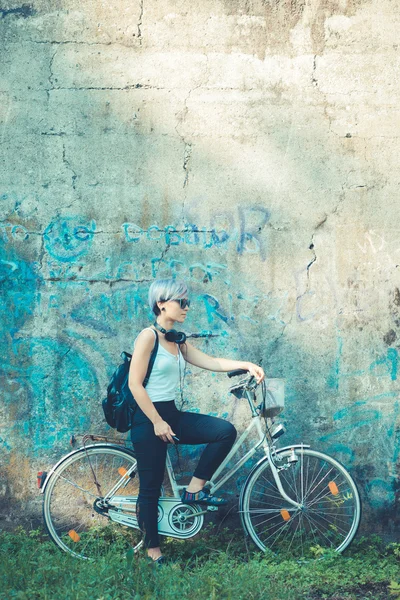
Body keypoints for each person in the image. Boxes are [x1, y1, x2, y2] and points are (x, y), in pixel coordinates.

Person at [128, 278, 265, 564]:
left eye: (187, 302)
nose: (187, 307)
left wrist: (245, 364)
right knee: (151, 487)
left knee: (224, 431)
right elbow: (134, 384)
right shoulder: (148, 337)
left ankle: (193, 491)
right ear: (161, 304)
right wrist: (156, 421)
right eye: (182, 302)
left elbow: (212, 362)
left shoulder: (177, 341)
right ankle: (153, 552)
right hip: (147, 418)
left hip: (171, 414)